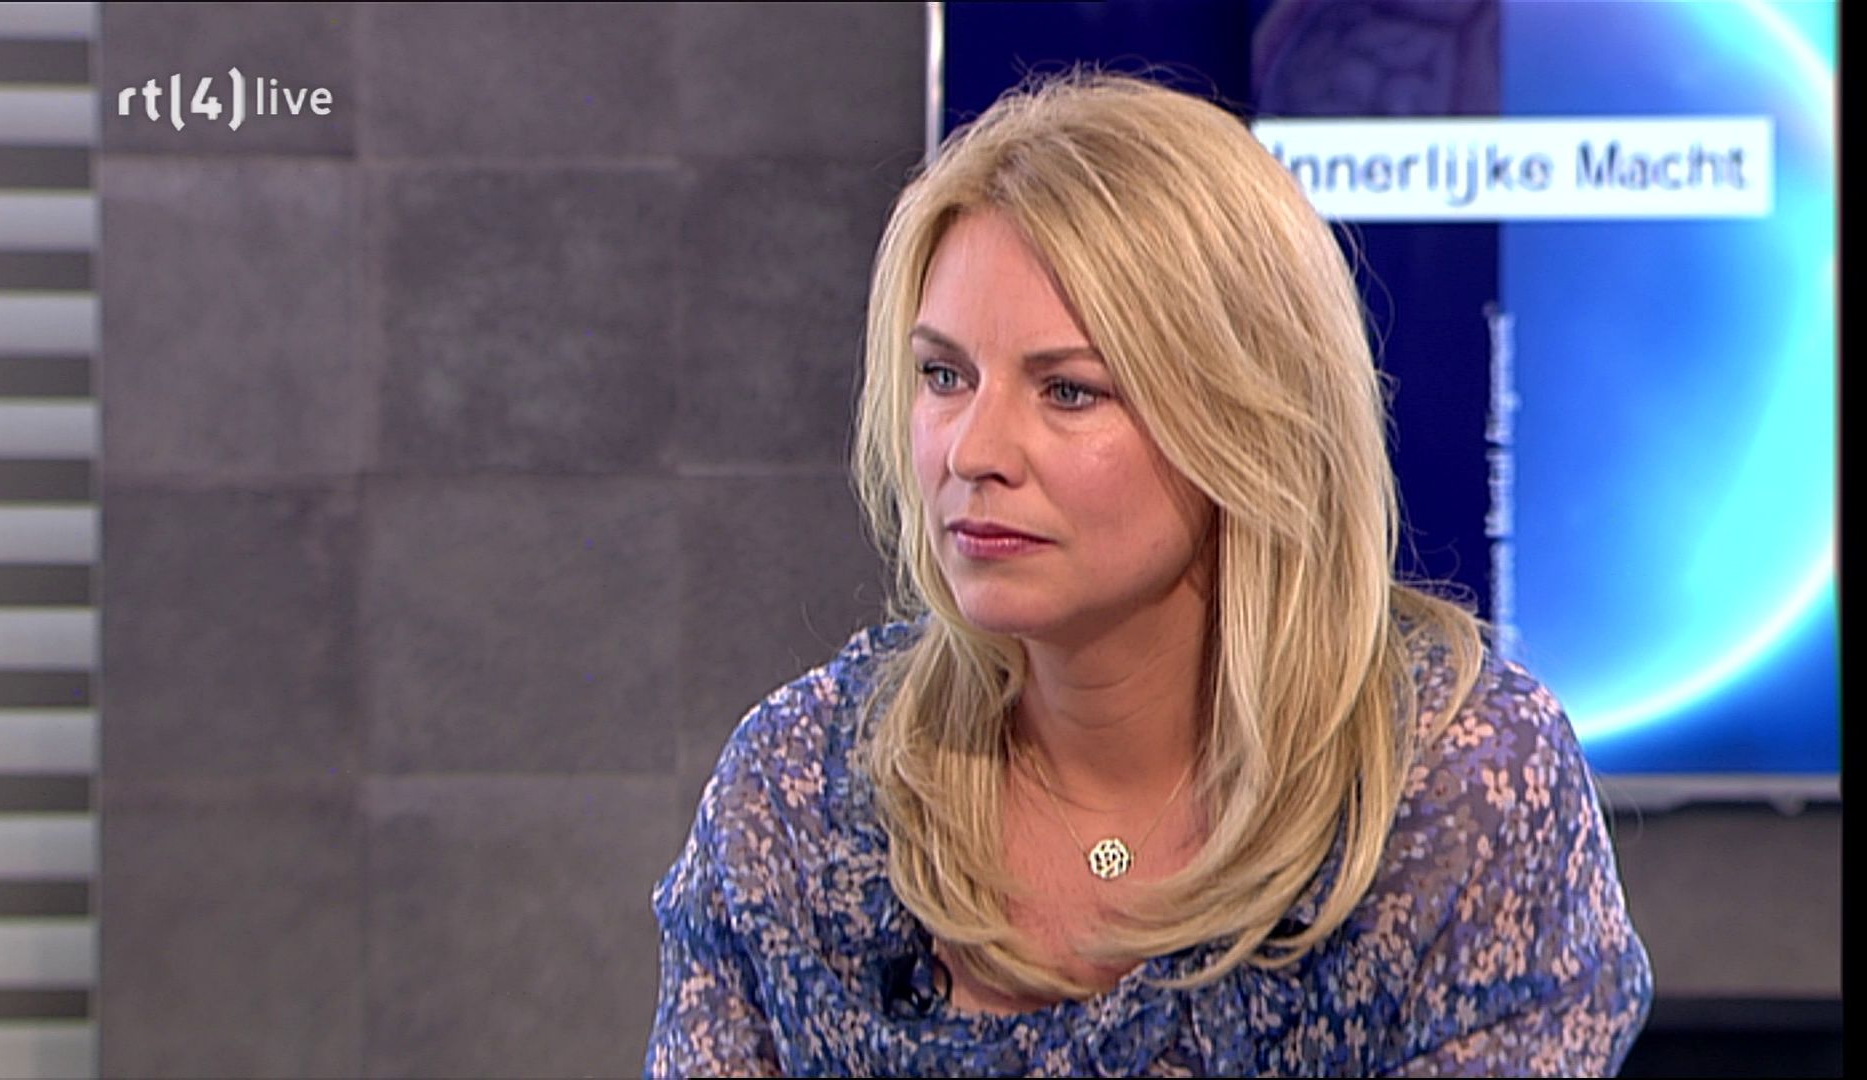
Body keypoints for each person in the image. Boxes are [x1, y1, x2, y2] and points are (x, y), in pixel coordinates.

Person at [645, 69, 1653, 1077]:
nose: (972, 452)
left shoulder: (1462, 793)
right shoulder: (794, 795)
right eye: (944, 376)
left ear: (1244, 418)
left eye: (1069, 391)